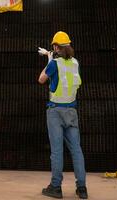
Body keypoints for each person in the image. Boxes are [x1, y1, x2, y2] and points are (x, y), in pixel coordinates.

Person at [38, 31, 88, 199]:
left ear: (56, 47)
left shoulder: (54, 63)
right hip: (72, 112)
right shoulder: (75, 63)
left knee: (57, 151)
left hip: (55, 112)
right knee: (76, 150)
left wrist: (49, 59)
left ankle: (55, 187)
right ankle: (82, 189)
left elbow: (41, 79)